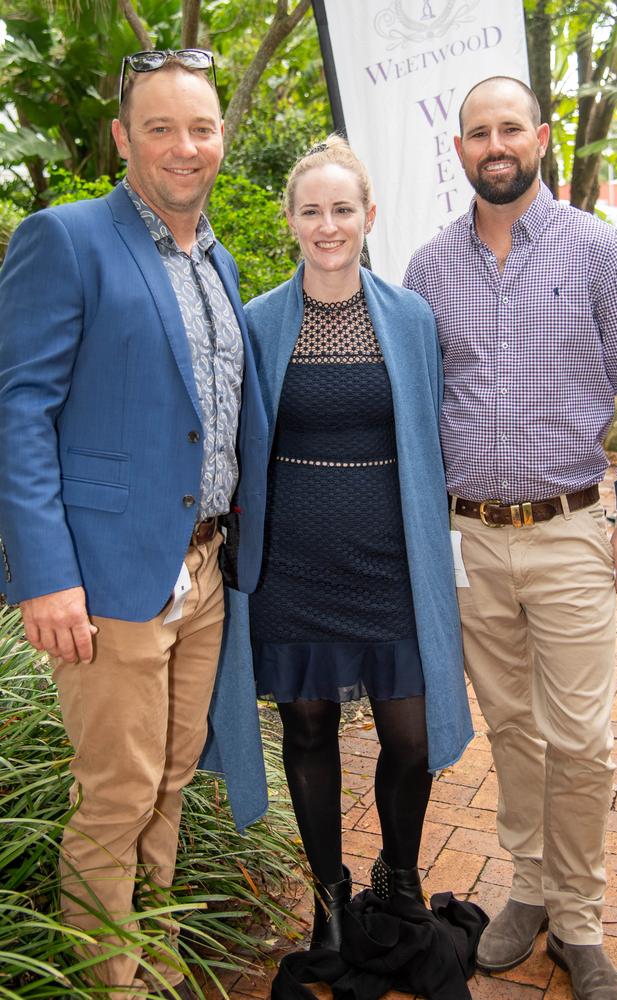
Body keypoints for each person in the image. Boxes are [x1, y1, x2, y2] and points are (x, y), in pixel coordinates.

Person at [0, 50, 268, 1000]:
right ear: (123, 139)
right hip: (105, 580)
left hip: (200, 576)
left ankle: (150, 954)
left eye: (200, 128)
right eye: (159, 128)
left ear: (221, 138)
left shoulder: (219, 261)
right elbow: (18, 411)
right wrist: (44, 576)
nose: (184, 147)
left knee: (171, 777)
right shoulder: (65, 239)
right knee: (116, 793)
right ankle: (106, 983)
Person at [404, 75, 617, 1000]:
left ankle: (580, 922)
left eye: (511, 127)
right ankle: (530, 887)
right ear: (459, 149)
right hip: (471, 539)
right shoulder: (430, 267)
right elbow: (423, 407)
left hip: (569, 532)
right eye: (479, 132)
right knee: (512, 728)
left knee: (581, 738)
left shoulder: (596, 251)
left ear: (540, 137)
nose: (495, 144)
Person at [237, 135, 474, 954]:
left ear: (369, 217)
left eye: (343, 209)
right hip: (294, 565)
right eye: (312, 211)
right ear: (292, 221)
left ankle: (399, 880)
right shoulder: (258, 322)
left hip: (392, 561)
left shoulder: (410, 318)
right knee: (308, 733)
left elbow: (439, 433)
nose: (328, 225)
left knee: (411, 737)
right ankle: (330, 899)